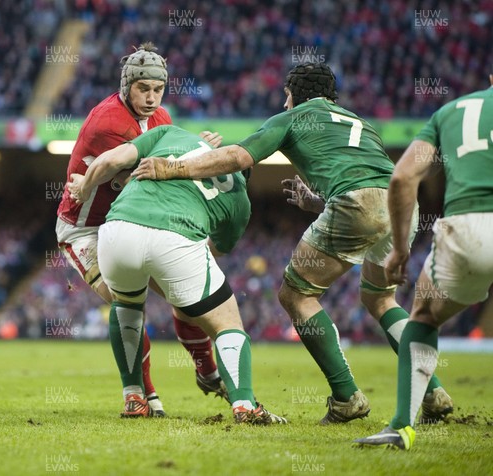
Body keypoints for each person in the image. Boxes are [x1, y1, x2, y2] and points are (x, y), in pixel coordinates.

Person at [132, 62, 453, 424]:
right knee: (380, 298)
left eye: (286, 97)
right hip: (401, 207)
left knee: (295, 294)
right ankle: (434, 391)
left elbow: (237, 157)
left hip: (356, 203)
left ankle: (347, 396)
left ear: (295, 95)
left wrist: (171, 168)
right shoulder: (360, 123)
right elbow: (371, 183)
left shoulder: (293, 117)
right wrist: (318, 204)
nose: (285, 104)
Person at [67, 125, 287, 423]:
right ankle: (245, 406)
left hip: (116, 229)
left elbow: (110, 160)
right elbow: (218, 249)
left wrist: (84, 188)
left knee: (127, 306)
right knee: (226, 322)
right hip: (176, 238)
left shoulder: (170, 133)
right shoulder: (240, 198)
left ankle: (134, 397)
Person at [56, 42, 225, 417]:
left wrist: (198, 150)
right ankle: (140, 394)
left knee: (184, 295)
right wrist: (196, 153)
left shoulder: (162, 118)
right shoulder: (108, 122)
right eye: (142, 89)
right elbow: (145, 172)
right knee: (126, 303)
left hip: (133, 222)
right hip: (86, 230)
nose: (151, 98)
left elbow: (168, 165)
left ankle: (207, 370)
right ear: (126, 86)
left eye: (157, 90)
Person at [354, 75, 493, 449]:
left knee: (425, 315)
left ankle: (401, 427)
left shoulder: (449, 113)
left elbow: (402, 177)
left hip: (470, 229)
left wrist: (400, 249)